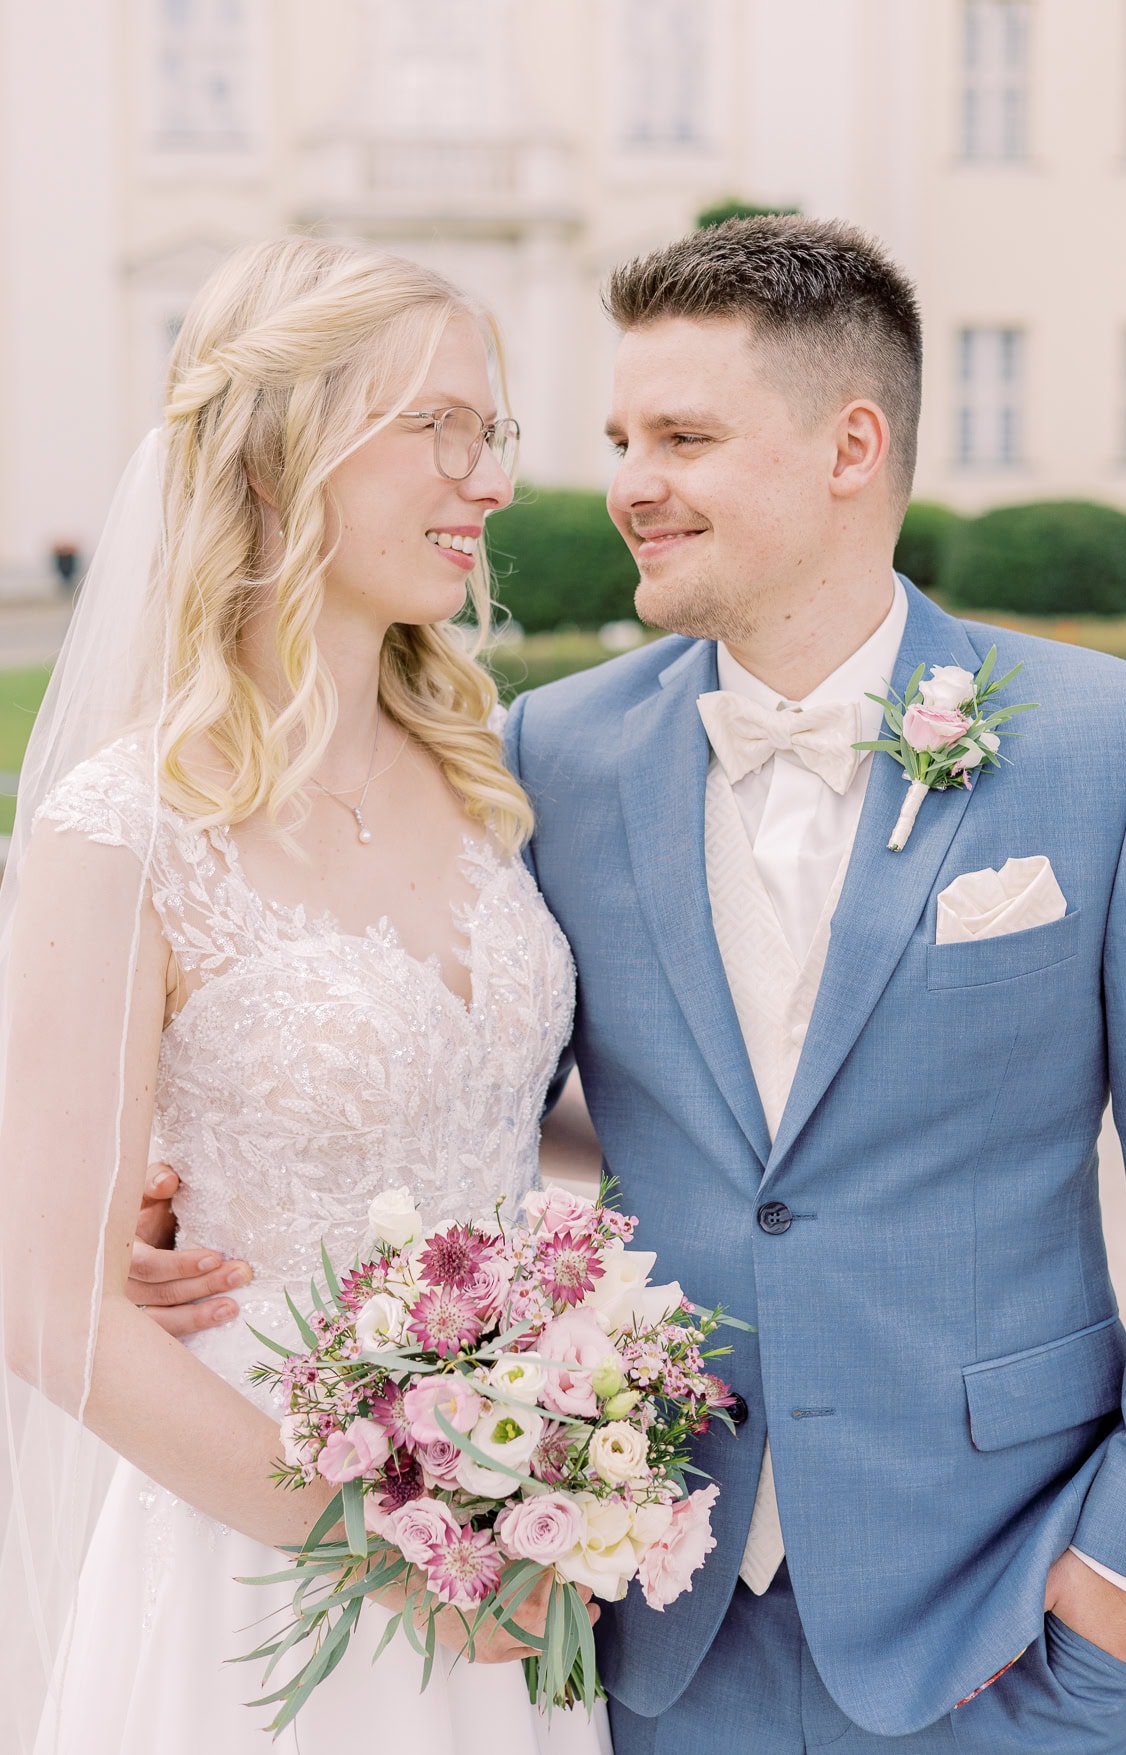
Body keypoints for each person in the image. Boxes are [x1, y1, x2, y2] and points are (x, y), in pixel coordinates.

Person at [506, 218, 1126, 1751]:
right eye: (619, 437)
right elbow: (478, 1108)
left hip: (1010, 1621)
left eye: (682, 436)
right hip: (660, 1628)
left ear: (849, 446)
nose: (626, 483)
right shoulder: (559, 751)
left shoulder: (1111, 745)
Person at [0, 237, 608, 1755]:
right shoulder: (120, 828)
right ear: (284, 451)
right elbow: (45, 1302)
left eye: (493, 433)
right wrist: (392, 1556)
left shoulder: (490, 777)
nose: (484, 479)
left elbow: (552, 1114)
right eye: (437, 427)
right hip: (263, 1556)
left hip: (515, 1552)